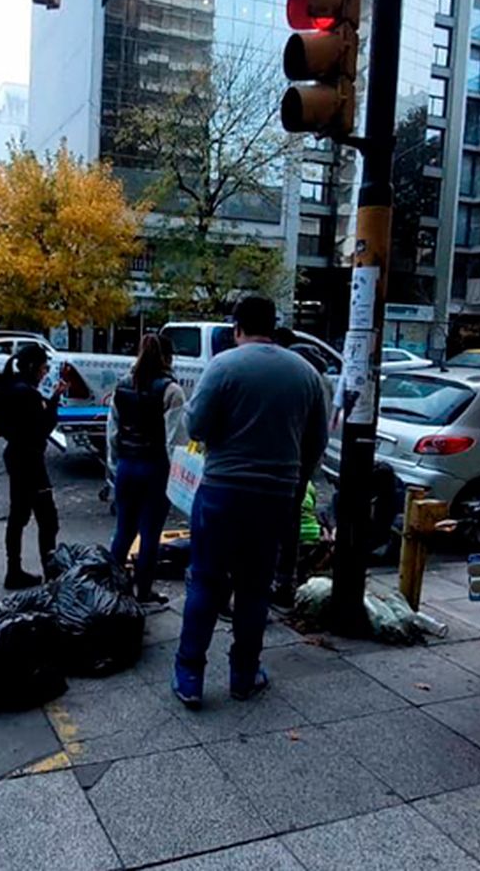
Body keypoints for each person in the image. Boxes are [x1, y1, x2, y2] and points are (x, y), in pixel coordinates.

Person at [173, 297, 330, 708]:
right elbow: (317, 443)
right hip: (276, 496)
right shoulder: (306, 374)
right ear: (274, 326)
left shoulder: (223, 366)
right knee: (255, 588)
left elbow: (198, 426)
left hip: (223, 491)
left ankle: (189, 675)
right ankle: (244, 674)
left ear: (237, 327)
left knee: (206, 581)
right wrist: (294, 481)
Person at [107, 334, 188, 605]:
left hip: (127, 466)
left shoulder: (122, 385)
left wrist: (115, 465)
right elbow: (175, 440)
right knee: (150, 534)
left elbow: (113, 433)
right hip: (155, 469)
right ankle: (144, 592)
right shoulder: (172, 391)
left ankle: (112, 589)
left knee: (123, 531)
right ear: (169, 358)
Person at [0, 344, 66, 589]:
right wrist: (53, 402)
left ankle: (13, 570)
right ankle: (50, 572)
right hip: (30, 461)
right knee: (48, 520)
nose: (45, 373)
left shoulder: (7, 387)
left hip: (14, 456)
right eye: (44, 368)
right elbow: (43, 428)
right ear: (33, 366)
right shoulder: (29, 395)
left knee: (18, 516)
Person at [269, 326, 324, 610]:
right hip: (297, 466)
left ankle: (272, 581)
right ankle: (284, 582)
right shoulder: (311, 375)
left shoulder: (284, 375)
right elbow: (319, 435)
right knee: (287, 527)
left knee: (266, 529)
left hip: (276, 464)